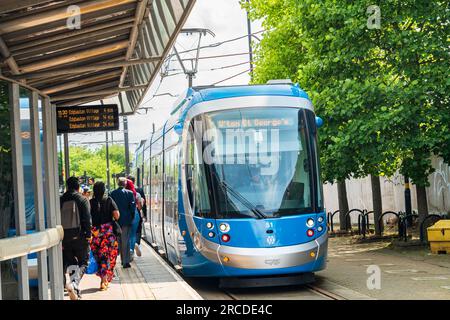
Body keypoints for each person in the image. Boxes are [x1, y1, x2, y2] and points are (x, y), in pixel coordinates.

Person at [60, 176, 92, 300]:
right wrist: (88, 235)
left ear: (67, 186)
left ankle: (75, 290)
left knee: (72, 261)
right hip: (80, 236)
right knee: (84, 262)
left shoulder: (61, 199)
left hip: (65, 237)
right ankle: (74, 284)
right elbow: (87, 218)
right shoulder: (82, 199)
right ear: (78, 187)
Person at [89, 181, 120, 291]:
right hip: (108, 235)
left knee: (100, 257)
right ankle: (104, 280)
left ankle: (103, 279)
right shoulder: (109, 200)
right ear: (104, 190)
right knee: (108, 256)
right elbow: (117, 216)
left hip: (95, 234)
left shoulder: (91, 202)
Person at [110, 177, 135, 268]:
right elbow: (132, 207)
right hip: (126, 221)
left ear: (117, 183)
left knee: (119, 241)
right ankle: (125, 262)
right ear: (124, 184)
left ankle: (121, 259)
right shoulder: (129, 193)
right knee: (126, 241)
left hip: (116, 221)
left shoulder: (112, 193)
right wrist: (131, 218)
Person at [127, 175, 145, 255]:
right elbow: (140, 207)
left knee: (126, 233)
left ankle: (129, 250)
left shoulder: (123, 193)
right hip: (135, 214)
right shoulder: (137, 194)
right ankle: (133, 247)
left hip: (125, 215)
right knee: (133, 234)